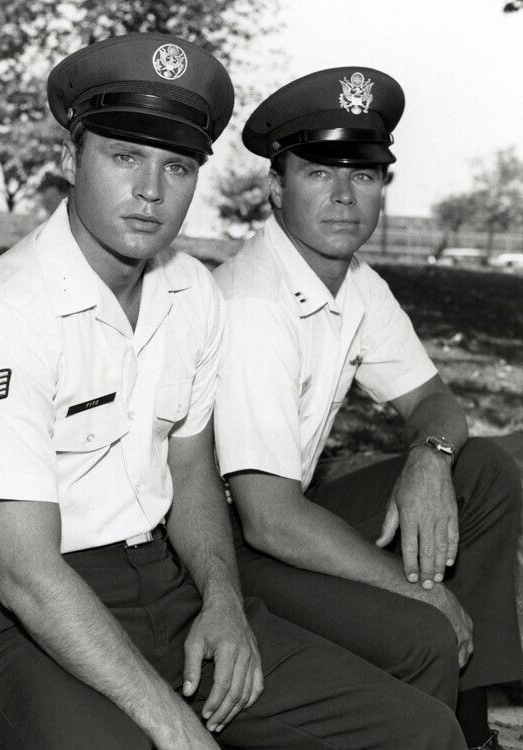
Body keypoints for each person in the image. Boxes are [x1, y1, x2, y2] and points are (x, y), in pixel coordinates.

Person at [0, 38, 467, 750]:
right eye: (125, 157)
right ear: (70, 159)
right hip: (26, 610)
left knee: (418, 730)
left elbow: (189, 472)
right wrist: (172, 722)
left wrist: (223, 600)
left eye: (177, 166)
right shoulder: (3, 316)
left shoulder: (189, 293)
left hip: (167, 580)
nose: (151, 190)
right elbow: (26, 574)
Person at [213, 67, 523, 750]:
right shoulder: (253, 303)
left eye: (363, 174)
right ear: (276, 187)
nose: (344, 196)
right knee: (423, 626)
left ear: (383, 186)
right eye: (319, 172)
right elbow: (267, 520)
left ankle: (474, 722)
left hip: (285, 511)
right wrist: (421, 591)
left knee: (483, 471)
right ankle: (436, 716)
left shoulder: (355, 282)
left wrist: (429, 458)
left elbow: (434, 401)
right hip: (222, 544)